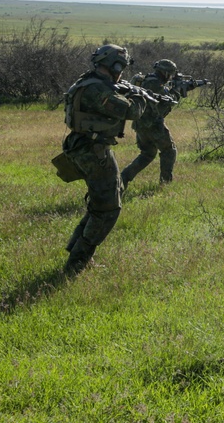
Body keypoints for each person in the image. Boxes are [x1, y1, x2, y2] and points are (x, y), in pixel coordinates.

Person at [61, 44, 149, 275]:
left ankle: (76, 251)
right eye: (121, 66)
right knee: (109, 209)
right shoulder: (98, 90)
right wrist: (139, 96)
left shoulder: (90, 81)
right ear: (115, 65)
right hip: (93, 151)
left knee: (102, 201)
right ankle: (76, 263)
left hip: (87, 147)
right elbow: (131, 112)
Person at [121, 59, 182, 186]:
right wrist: (177, 91)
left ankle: (124, 177)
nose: (170, 77)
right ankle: (165, 182)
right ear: (165, 73)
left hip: (140, 124)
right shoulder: (155, 83)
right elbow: (168, 102)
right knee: (169, 151)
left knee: (148, 153)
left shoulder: (147, 80)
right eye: (170, 74)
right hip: (153, 124)